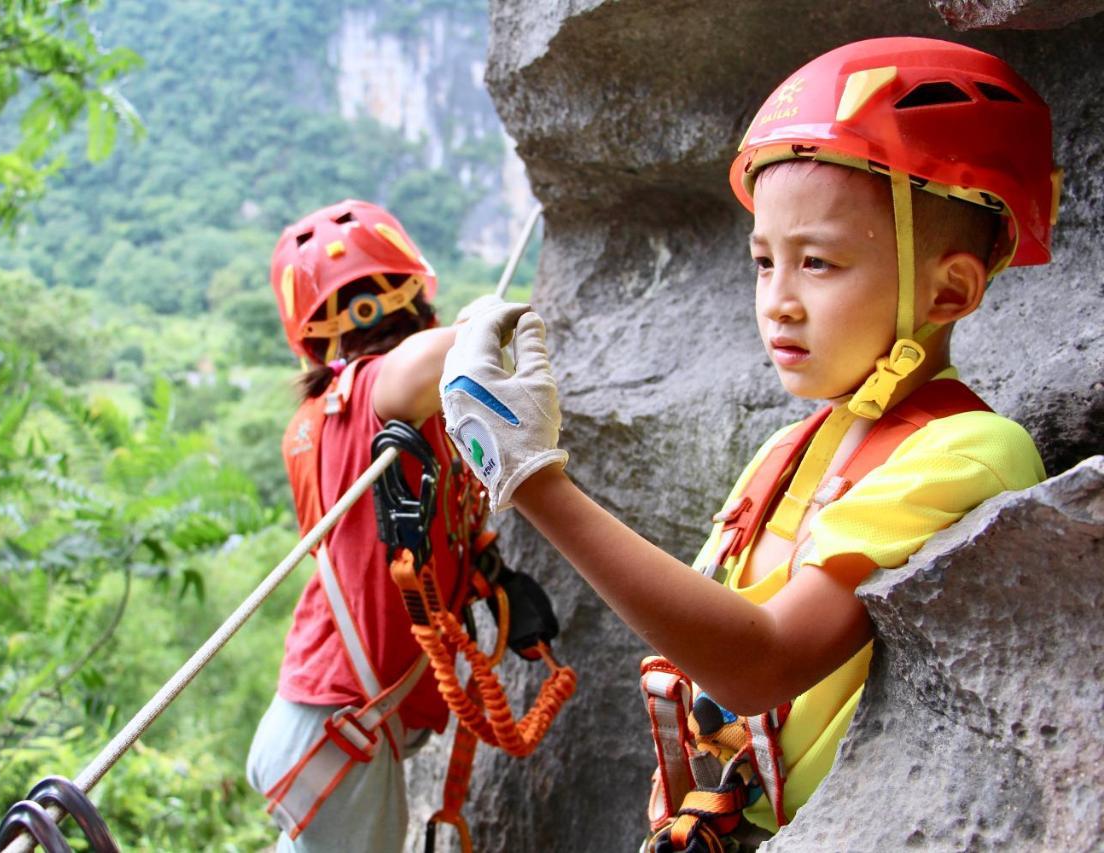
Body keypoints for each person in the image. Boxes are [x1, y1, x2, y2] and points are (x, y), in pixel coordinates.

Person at [438, 37, 1057, 850]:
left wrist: (534, 481)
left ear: (950, 288)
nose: (779, 302)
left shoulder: (972, 451)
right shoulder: (785, 455)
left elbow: (762, 663)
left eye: (820, 263)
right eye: (764, 261)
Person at [246, 199, 491, 851]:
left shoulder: (312, 422)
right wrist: (480, 324)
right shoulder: (364, 399)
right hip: (339, 728)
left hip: (320, 719)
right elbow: (408, 373)